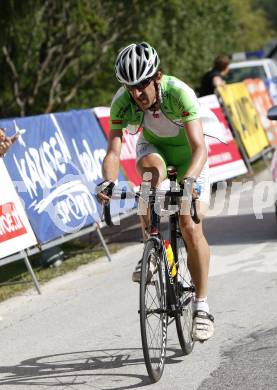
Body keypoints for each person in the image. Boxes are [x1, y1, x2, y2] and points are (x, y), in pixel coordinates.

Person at [96, 42, 214, 341]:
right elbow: (113, 149)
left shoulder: (179, 92)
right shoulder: (122, 102)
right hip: (155, 150)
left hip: (190, 155)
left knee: (189, 222)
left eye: (142, 85)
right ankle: (150, 244)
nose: (137, 94)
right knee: (148, 179)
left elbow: (199, 147)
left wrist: (188, 185)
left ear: (157, 76)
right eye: (130, 86)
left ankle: (201, 305)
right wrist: (108, 182)